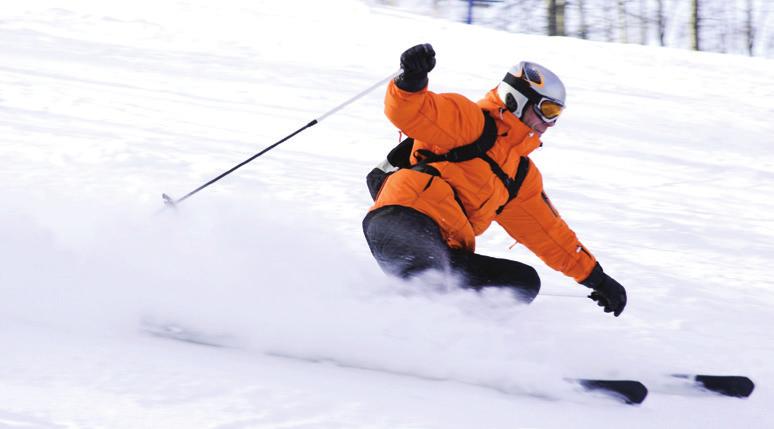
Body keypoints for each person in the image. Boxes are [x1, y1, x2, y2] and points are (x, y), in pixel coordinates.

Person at [362, 43, 627, 316]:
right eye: (547, 110)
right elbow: (412, 112)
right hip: (404, 219)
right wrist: (412, 80)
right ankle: (372, 329)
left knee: (520, 283)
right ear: (517, 99)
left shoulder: (519, 176)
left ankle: (441, 344)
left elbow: (549, 234)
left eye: (557, 115)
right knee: (431, 287)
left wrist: (597, 279)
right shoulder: (470, 123)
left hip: (444, 248)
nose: (550, 123)